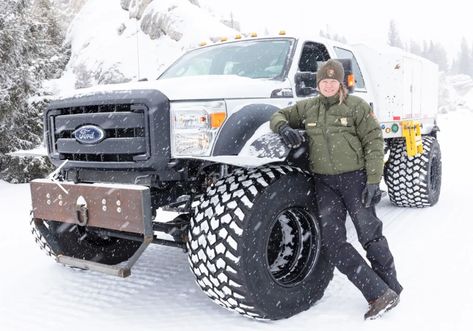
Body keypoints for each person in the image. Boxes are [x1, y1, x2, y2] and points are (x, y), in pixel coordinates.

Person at [270, 59, 403, 320]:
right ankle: (377, 292)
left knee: (370, 234)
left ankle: (391, 287)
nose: (328, 85)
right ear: (319, 83)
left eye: (333, 81)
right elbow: (277, 115)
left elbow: (374, 142)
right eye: (324, 81)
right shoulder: (308, 108)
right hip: (325, 184)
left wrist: (374, 180)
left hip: (356, 180)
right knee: (333, 243)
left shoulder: (356, 107)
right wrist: (283, 128)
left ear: (341, 83)